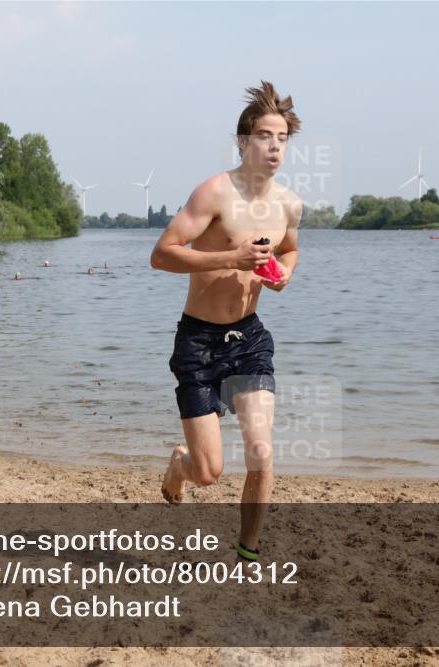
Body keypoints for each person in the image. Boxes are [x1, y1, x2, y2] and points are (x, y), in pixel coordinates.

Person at [150, 81, 302, 563]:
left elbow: (291, 248)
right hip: (198, 342)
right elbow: (162, 255)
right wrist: (230, 258)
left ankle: (248, 551)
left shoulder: (288, 204)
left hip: (249, 340)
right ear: (243, 141)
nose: (274, 146)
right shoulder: (214, 192)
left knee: (262, 452)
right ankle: (180, 464)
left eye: (282, 137)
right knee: (209, 472)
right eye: (264, 135)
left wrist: (284, 274)